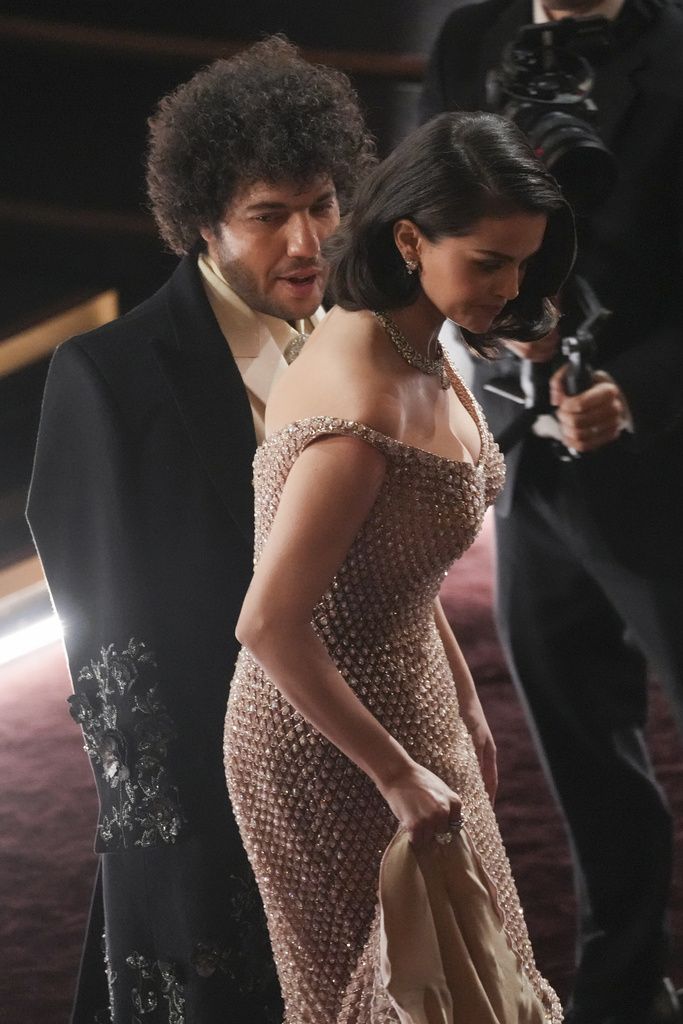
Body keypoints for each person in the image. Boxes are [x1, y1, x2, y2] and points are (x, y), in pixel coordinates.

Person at [26, 36, 375, 1024]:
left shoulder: (363, 336)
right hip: (212, 790)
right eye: (269, 217)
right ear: (202, 226)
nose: (307, 242)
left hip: (370, 756)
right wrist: (163, 850)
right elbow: (117, 661)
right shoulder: (109, 377)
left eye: (320, 205)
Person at [223, 109, 576, 1023]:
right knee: (390, 999)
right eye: (489, 262)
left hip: (405, 687)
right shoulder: (362, 409)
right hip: (319, 739)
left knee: (479, 975)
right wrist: (394, 772)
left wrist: (458, 698)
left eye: (523, 262)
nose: (510, 286)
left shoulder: (417, 335)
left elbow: (392, 569)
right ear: (410, 238)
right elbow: (268, 624)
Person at [422, 2, 683, 1023]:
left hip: (663, 461)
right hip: (527, 457)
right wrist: (476, 331)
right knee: (583, 752)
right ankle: (623, 996)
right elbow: (420, 221)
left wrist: (638, 390)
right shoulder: (469, 39)